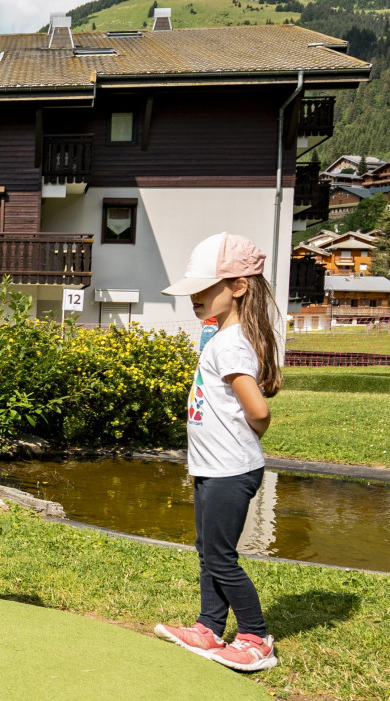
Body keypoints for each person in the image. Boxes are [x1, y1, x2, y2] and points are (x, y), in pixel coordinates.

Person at [152, 232, 282, 673]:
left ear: (239, 287)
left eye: (205, 290)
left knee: (222, 558)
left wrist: (248, 433)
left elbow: (259, 411)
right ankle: (209, 627)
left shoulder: (229, 343)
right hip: (213, 465)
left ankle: (255, 638)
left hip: (231, 468)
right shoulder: (222, 334)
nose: (195, 298)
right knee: (208, 549)